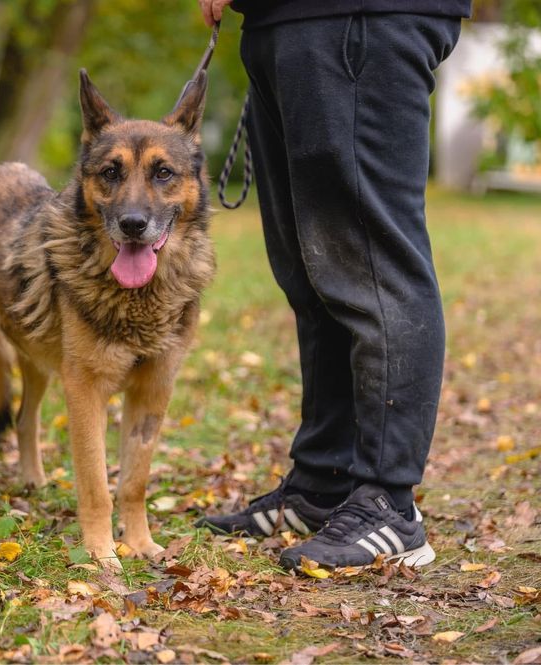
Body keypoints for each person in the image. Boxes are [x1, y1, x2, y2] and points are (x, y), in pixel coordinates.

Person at [195, 0, 470, 570]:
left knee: (372, 265)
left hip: (361, 16)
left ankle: (390, 505)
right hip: (280, 22)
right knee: (310, 270)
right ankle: (323, 482)